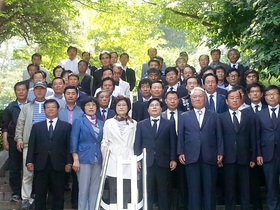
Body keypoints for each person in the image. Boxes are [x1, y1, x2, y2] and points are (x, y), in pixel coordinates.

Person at [178, 87, 223, 210]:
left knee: (210, 189)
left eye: (200, 96)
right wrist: (180, 152)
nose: (197, 99)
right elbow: (181, 136)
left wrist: (220, 152)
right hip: (191, 156)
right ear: (191, 100)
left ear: (205, 99)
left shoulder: (215, 116)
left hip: (210, 156)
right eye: (194, 97)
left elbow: (219, 135)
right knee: (193, 190)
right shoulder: (184, 116)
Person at [26, 99, 72, 210]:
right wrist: (29, 161)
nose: (50, 109)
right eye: (48, 107)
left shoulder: (66, 126)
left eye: (53, 107)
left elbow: (69, 146)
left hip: (59, 164)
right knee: (40, 194)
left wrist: (69, 162)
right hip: (41, 164)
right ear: (44, 110)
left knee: (58, 194)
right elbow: (32, 144)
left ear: (58, 109)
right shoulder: (37, 126)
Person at [134, 98, 177, 210]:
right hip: (146, 163)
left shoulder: (169, 124)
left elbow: (173, 142)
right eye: (151, 105)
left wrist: (173, 159)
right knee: (147, 191)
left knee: (164, 191)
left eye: (157, 105)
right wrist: (137, 160)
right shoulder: (141, 124)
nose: (154, 107)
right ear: (148, 109)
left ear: (161, 109)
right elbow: (137, 143)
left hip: (163, 162)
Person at [220, 89, 256, 210]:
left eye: (237, 98)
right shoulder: (220, 118)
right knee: (229, 187)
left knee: (245, 187)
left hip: (244, 158)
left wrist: (253, 156)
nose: (235, 100)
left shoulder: (249, 117)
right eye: (232, 98)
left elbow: (253, 137)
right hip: (228, 158)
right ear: (226, 101)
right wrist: (220, 155)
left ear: (241, 100)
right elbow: (219, 139)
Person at [14, 81, 48, 210]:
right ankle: (26, 199)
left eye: (42, 89)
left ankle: (41, 197)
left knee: (43, 172)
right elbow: (20, 125)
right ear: (33, 91)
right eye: (37, 89)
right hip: (29, 144)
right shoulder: (26, 107)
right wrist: (19, 139)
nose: (39, 91)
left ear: (45, 91)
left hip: (46, 144)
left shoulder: (51, 105)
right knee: (28, 173)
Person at [101, 96, 137, 207]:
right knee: (114, 189)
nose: (121, 107)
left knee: (126, 190)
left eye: (124, 105)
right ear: (115, 107)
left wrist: (136, 160)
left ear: (128, 107)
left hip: (128, 157)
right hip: (112, 158)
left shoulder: (134, 123)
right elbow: (105, 141)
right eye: (119, 105)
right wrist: (105, 157)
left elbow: (136, 143)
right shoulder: (108, 123)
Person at [70, 96, 104, 210]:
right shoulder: (79, 121)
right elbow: (74, 140)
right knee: (84, 188)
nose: (91, 107)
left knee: (95, 188)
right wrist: (75, 159)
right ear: (84, 108)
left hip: (98, 158)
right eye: (88, 105)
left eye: (94, 105)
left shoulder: (101, 123)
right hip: (83, 158)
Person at [2, 82, 28, 202]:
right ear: (15, 92)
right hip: (13, 139)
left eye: (23, 89)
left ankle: (30, 192)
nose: (21, 92)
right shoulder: (11, 107)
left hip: (29, 140)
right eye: (18, 90)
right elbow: (5, 125)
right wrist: (5, 140)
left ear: (27, 91)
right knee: (14, 166)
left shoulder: (32, 105)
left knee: (29, 166)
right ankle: (16, 192)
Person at [58, 85, 83, 209]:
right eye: (68, 93)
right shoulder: (59, 110)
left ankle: (75, 201)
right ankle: (58, 200)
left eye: (73, 93)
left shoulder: (82, 111)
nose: (71, 95)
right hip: (61, 146)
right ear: (64, 95)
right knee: (61, 174)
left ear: (77, 95)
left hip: (78, 146)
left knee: (76, 175)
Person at [256, 85, 280, 210]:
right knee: (271, 185)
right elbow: (257, 136)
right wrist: (258, 154)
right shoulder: (260, 114)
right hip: (267, 154)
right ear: (264, 97)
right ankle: (273, 207)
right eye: (269, 94)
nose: (272, 96)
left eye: (274, 93)